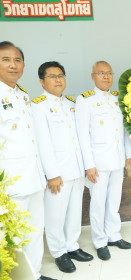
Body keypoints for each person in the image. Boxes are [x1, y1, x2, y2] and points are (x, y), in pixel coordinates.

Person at [31, 61, 93, 273]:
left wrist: (85, 166)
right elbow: (42, 142)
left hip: (76, 170)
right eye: (52, 76)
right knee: (55, 214)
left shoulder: (71, 103)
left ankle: (72, 245)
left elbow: (80, 137)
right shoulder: (37, 106)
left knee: (74, 211)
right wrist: (52, 174)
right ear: (41, 81)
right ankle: (58, 252)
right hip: (58, 172)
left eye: (61, 76)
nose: (58, 80)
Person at [0, 41, 55, 280]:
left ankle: (34, 274)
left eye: (18, 60)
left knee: (33, 230)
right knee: (12, 237)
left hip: (33, 178)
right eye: (6, 60)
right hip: (10, 184)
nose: (13, 65)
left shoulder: (22, 95)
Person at [75, 61, 131, 260]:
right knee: (98, 203)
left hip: (117, 160)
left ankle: (113, 235)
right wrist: (89, 165)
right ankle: (100, 241)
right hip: (98, 164)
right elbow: (82, 135)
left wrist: (130, 154)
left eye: (109, 73)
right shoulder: (85, 100)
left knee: (113, 201)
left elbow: (125, 130)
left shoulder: (119, 99)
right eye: (101, 73)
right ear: (93, 76)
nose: (106, 77)